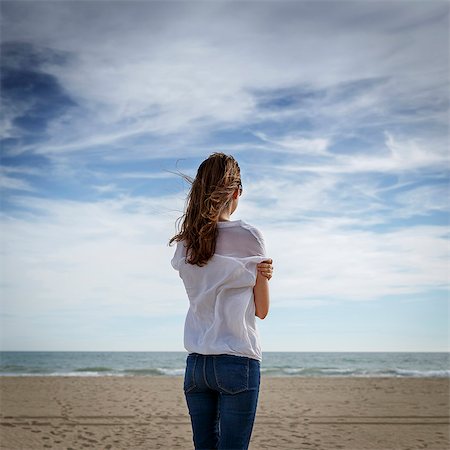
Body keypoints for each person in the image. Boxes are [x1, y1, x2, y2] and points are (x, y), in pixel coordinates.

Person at [169, 152, 274, 450]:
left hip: (196, 366)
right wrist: (263, 276)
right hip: (237, 360)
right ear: (236, 191)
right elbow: (262, 311)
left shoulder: (186, 242)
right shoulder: (249, 235)